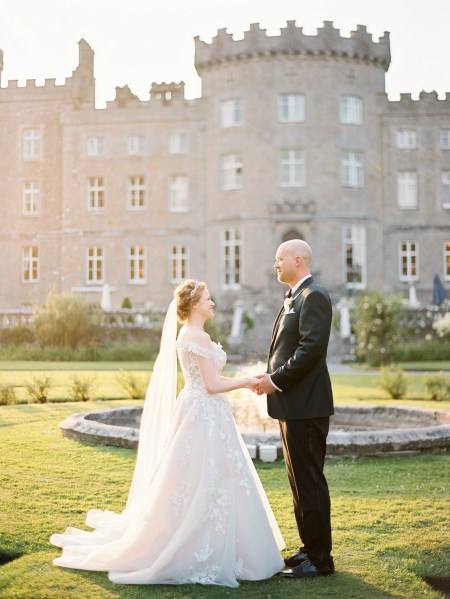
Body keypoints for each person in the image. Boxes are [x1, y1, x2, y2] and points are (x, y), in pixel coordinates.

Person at [50, 279, 284, 588]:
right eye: (208, 298)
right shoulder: (197, 337)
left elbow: (208, 380)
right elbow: (212, 386)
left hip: (201, 408)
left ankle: (216, 538)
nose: (212, 303)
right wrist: (244, 382)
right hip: (203, 412)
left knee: (199, 476)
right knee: (207, 476)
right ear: (195, 304)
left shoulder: (192, 334)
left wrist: (246, 379)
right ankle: (200, 542)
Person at [254, 239, 335, 579]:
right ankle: (307, 549)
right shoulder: (295, 296)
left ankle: (320, 560)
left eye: (279, 259)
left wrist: (276, 380)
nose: (275, 265)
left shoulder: (313, 296)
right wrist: (270, 376)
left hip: (306, 405)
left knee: (310, 482)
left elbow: (310, 350)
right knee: (298, 482)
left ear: (297, 260)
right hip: (293, 406)